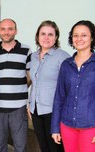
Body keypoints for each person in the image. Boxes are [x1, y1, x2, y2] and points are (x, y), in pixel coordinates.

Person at [51, 20, 95, 152]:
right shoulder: (66, 64)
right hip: (67, 125)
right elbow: (59, 97)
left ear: (92, 37)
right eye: (75, 35)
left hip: (90, 126)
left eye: (84, 35)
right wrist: (55, 128)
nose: (79, 39)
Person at [27, 20, 70, 152]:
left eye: (50, 34)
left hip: (54, 111)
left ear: (56, 37)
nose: (46, 37)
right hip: (35, 110)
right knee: (44, 147)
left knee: (55, 148)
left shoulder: (62, 57)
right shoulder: (32, 57)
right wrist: (29, 102)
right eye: (43, 34)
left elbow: (69, 86)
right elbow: (32, 81)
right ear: (37, 36)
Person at [0, 18, 31, 152]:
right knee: (0, 147)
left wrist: (18, 89)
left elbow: (29, 77)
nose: (6, 32)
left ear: (16, 31)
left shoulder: (26, 50)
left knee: (20, 147)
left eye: (10, 29)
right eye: (3, 29)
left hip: (18, 109)